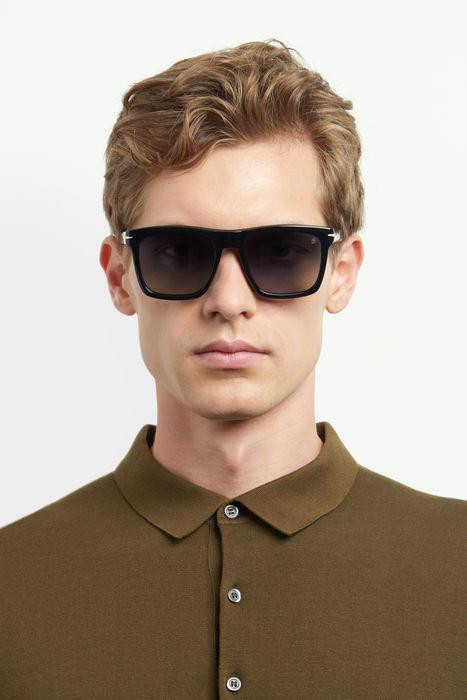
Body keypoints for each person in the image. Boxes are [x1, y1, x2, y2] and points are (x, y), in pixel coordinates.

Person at [1, 38, 465, 698]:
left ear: (341, 273)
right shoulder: (11, 582)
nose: (228, 301)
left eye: (280, 252)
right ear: (120, 277)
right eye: (177, 252)